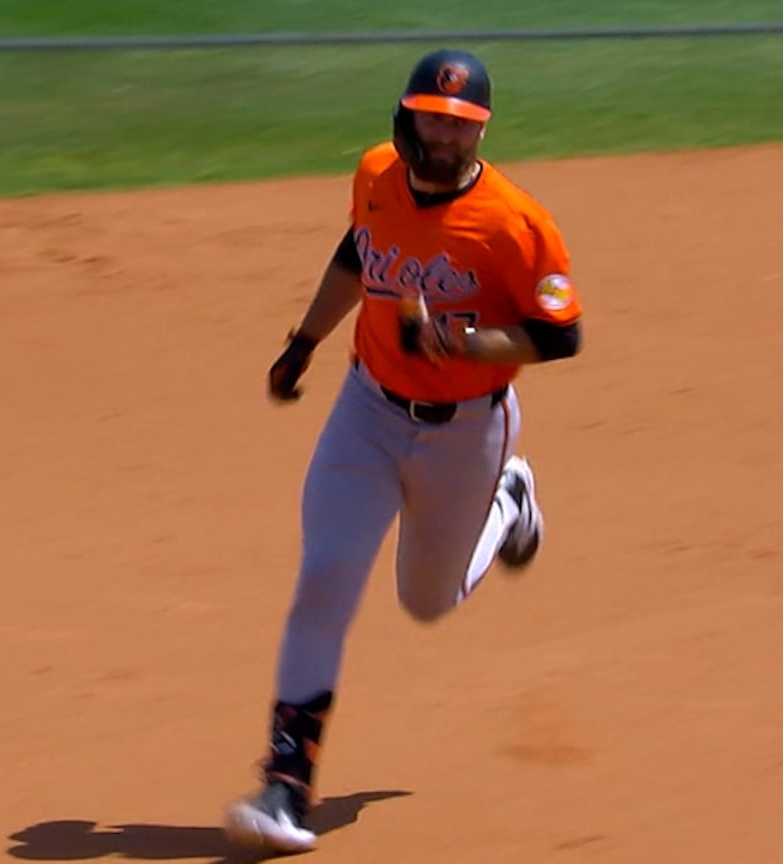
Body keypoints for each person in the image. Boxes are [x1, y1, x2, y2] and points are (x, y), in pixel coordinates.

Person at [223, 47, 585, 854]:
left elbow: (560, 334)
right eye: (432, 117)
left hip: (467, 430)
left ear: (480, 131)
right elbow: (360, 252)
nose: (444, 136)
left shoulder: (516, 223)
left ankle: (511, 501)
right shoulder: (377, 174)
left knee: (428, 600)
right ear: (405, 113)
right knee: (324, 581)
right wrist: (303, 342)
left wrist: (462, 341)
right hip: (367, 412)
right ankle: (286, 787)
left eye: (461, 126)